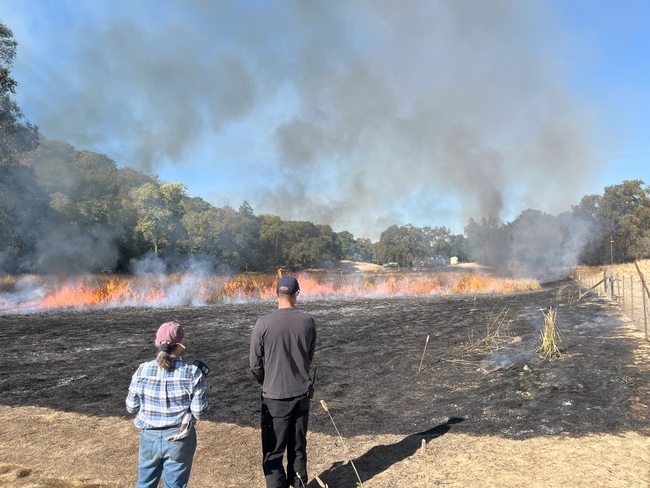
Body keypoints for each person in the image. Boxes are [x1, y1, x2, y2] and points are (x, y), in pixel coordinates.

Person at [250, 276, 317, 488]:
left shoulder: (263, 324)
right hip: (301, 395)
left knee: (273, 451)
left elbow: (254, 364)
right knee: (297, 447)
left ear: (276, 293)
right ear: (297, 293)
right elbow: (309, 355)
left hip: (274, 398)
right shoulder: (308, 321)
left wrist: (267, 382)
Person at [126, 321, 208, 488]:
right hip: (178, 438)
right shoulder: (193, 373)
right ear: (181, 344)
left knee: (144, 484)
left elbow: (131, 407)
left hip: (149, 438)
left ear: (157, 343)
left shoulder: (141, 370)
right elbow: (199, 412)